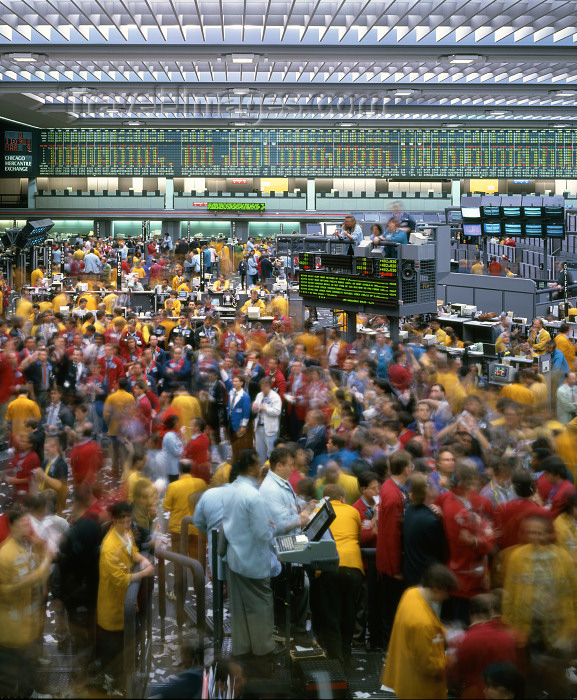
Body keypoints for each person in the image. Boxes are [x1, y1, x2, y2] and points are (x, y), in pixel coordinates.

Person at [221, 448, 278, 664]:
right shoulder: (254, 496)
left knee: (240, 608)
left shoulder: (231, 489)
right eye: (259, 465)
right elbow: (262, 534)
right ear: (252, 468)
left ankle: (243, 648)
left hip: (234, 557)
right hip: (253, 560)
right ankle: (263, 650)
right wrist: (271, 529)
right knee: (261, 606)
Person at [381, 563, 458, 699]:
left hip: (405, 678)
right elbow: (430, 666)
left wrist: (444, 631)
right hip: (421, 690)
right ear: (435, 588)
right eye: (446, 592)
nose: (447, 598)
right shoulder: (423, 623)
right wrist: (453, 657)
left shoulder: (411, 594)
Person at [0, 506, 52, 698]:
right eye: (22, 524)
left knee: (27, 664)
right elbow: (4, 590)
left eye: (27, 524)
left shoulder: (25, 546)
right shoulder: (5, 555)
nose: (27, 528)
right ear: (12, 526)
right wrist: (44, 564)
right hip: (11, 630)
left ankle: (27, 692)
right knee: (11, 671)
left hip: (26, 624)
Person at [311, 483, 364, 667]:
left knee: (331, 614)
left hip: (328, 567)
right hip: (353, 567)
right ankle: (347, 653)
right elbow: (359, 536)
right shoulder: (353, 511)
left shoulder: (318, 510)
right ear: (342, 498)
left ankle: (336, 658)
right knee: (349, 612)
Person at [376, 450, 412, 647]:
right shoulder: (392, 495)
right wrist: (396, 568)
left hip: (390, 562)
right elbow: (391, 535)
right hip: (391, 566)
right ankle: (390, 648)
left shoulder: (393, 488)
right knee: (392, 609)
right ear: (406, 469)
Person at [163, 459, 206, 558]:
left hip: (178, 528)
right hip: (197, 526)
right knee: (197, 561)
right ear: (190, 469)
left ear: (179, 470)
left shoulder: (173, 486)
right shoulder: (201, 483)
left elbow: (166, 507)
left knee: (178, 561)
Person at [252, 377, 282, 464]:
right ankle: (262, 469)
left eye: (264, 387)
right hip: (259, 426)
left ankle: (271, 469)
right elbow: (256, 410)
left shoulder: (275, 396)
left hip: (269, 428)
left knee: (271, 451)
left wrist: (265, 408)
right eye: (261, 388)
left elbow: (277, 411)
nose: (263, 390)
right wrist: (254, 407)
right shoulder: (259, 395)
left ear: (269, 386)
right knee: (259, 450)